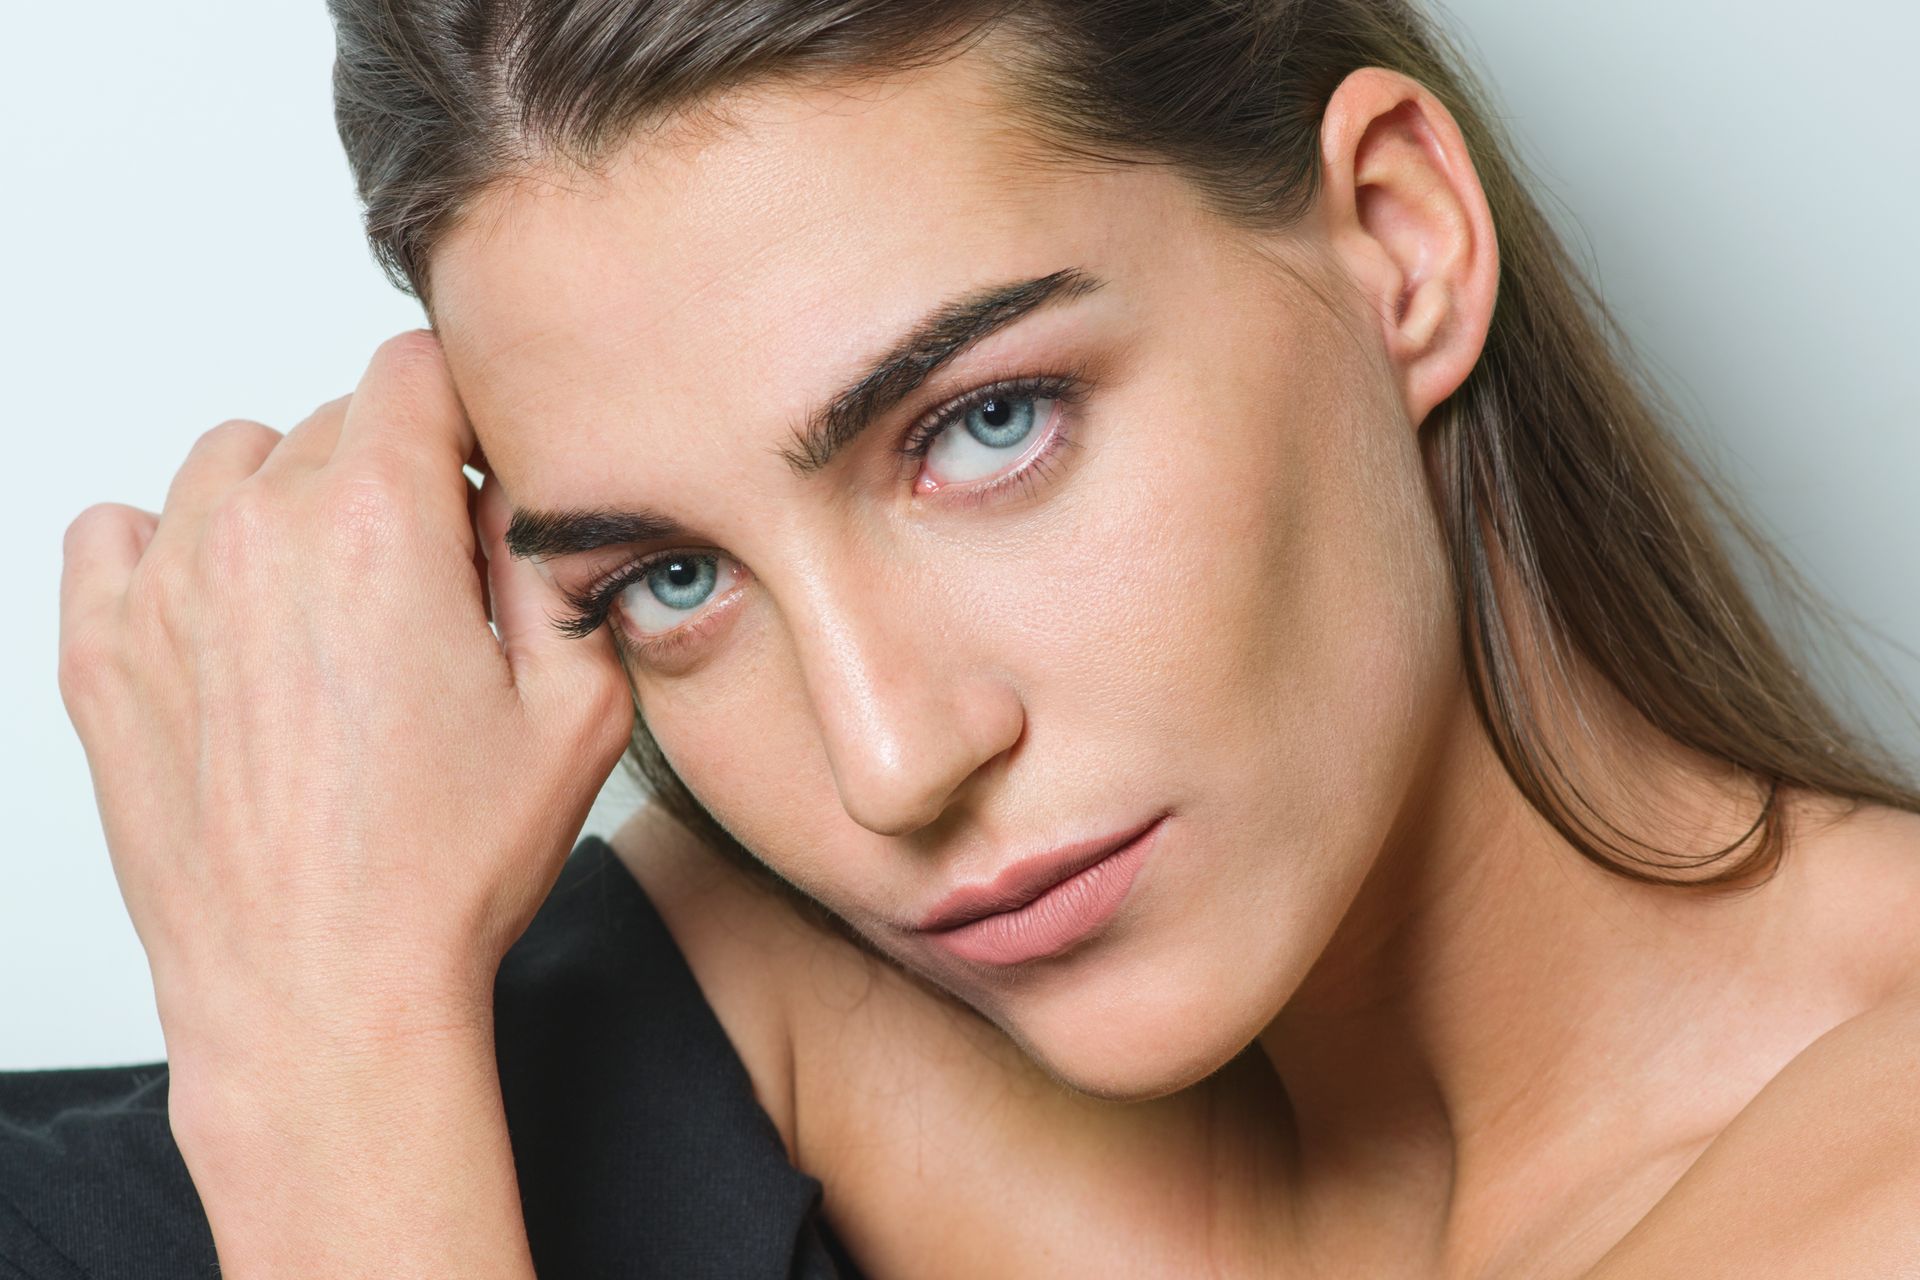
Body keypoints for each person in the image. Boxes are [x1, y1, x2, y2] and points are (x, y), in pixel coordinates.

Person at [8, 0, 1920, 1275]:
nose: (888, 760)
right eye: (671, 579)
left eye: (986, 425)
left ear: (1399, 241)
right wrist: (330, 1004)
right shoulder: (727, 1003)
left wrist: (323, 1094)